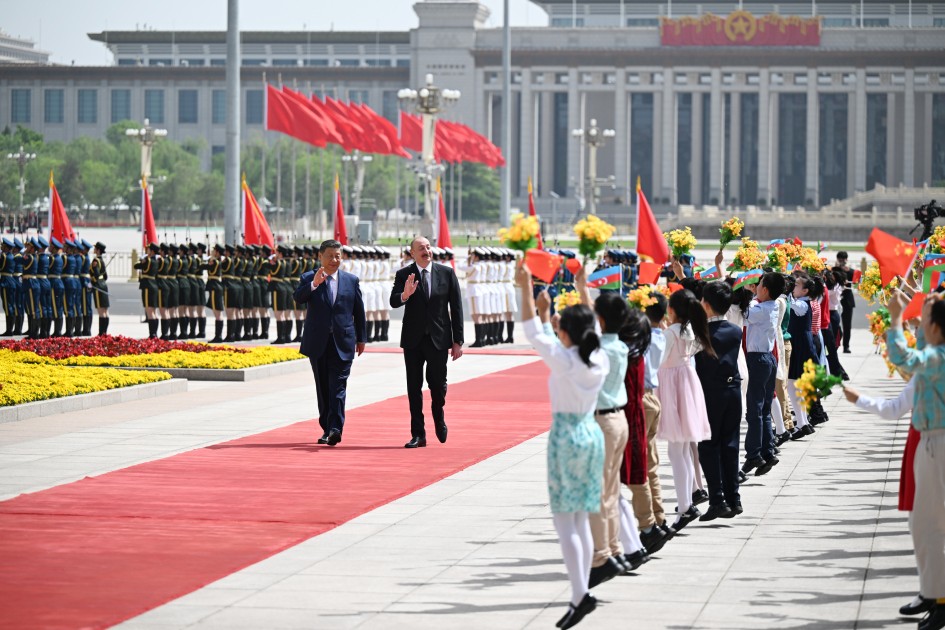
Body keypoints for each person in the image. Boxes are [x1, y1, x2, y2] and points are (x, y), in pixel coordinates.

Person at [516, 260, 606, 630]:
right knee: (581, 516)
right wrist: (583, 288)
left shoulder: (566, 360)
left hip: (567, 437)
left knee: (564, 520)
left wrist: (526, 291)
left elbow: (531, 331)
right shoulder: (597, 355)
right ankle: (581, 591)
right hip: (590, 435)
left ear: (566, 334)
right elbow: (594, 325)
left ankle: (579, 594)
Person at [886, 290, 945, 630]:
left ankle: (939, 598)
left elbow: (905, 358)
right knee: (923, 524)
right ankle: (933, 591)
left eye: (926, 321)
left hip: (937, 444)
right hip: (930, 441)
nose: (922, 325)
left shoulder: (938, 357)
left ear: (937, 328)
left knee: (929, 526)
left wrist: (895, 320)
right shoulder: (936, 350)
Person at [389, 236, 464, 448]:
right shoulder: (404, 274)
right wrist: (405, 294)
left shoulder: (446, 273)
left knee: (438, 386)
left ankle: (438, 417)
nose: (426, 251)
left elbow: (456, 308)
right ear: (412, 253)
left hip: (438, 340)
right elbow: (394, 301)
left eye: (428, 247)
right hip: (413, 340)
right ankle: (418, 434)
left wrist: (457, 341)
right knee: (414, 387)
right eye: (421, 248)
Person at [294, 239, 367, 446]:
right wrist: (314, 284)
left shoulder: (351, 280)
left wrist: (361, 338)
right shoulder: (309, 277)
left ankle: (336, 428)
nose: (334, 260)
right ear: (320, 257)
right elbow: (298, 298)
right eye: (330, 256)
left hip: (343, 342)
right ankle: (327, 427)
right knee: (323, 388)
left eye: (338, 256)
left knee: (338, 386)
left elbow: (358, 311)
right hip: (318, 342)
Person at [657, 289, 715, 531]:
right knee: (681, 450)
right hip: (685, 384)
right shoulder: (689, 329)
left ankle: (685, 505)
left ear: (672, 310)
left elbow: (658, 359)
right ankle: (687, 502)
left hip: (673, 387)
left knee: (675, 451)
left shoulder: (672, 332)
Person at [696, 281, 745, 520]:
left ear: (705, 304)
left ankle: (716, 499)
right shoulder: (736, 331)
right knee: (730, 444)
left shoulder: (701, 333)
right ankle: (734, 498)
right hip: (732, 390)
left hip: (710, 393)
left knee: (708, 445)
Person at [632, 291, 672, 551]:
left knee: (641, 467)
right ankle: (658, 517)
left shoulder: (644, 340)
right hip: (652, 400)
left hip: (641, 401)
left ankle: (649, 524)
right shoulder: (659, 335)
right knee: (651, 465)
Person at [740, 272, 785, 478]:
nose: (755, 287)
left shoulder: (758, 309)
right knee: (764, 409)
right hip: (767, 359)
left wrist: (742, 290)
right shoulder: (772, 305)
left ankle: (754, 455)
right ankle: (767, 451)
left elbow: (743, 311)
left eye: (759, 285)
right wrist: (753, 292)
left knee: (754, 410)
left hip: (757, 360)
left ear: (765, 290)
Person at [832, 251, 856, 353]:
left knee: (847, 325)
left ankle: (846, 346)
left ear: (846, 260)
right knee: (834, 324)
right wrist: (837, 269)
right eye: (840, 259)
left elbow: (856, 280)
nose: (841, 262)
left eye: (843, 260)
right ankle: (834, 344)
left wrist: (848, 270)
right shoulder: (834, 270)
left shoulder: (850, 271)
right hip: (835, 300)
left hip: (847, 299)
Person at [90, 242, 110, 335]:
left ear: (98, 250)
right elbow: (105, 276)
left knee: (101, 311)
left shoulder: (95, 260)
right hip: (104, 285)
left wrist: (92, 280)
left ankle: (101, 333)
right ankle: (104, 332)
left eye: (95, 248)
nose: (94, 249)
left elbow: (97, 274)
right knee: (105, 311)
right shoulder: (101, 260)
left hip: (98, 286)